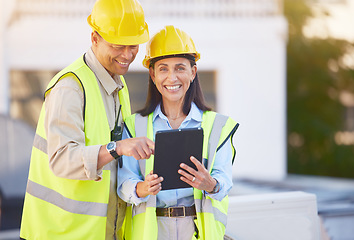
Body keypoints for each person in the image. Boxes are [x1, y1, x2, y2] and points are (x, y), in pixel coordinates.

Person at [19, 0, 154, 239]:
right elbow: (62, 160)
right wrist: (118, 148)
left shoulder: (118, 85)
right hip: (60, 233)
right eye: (118, 45)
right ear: (95, 38)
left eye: (133, 45)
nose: (128, 54)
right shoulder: (70, 87)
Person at [117, 25, 239, 240]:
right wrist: (142, 188)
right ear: (153, 75)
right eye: (163, 68)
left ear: (193, 72)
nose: (172, 78)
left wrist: (209, 184)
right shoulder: (134, 125)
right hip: (153, 231)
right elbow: (123, 184)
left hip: (196, 231)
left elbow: (224, 182)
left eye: (180, 68)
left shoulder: (217, 126)